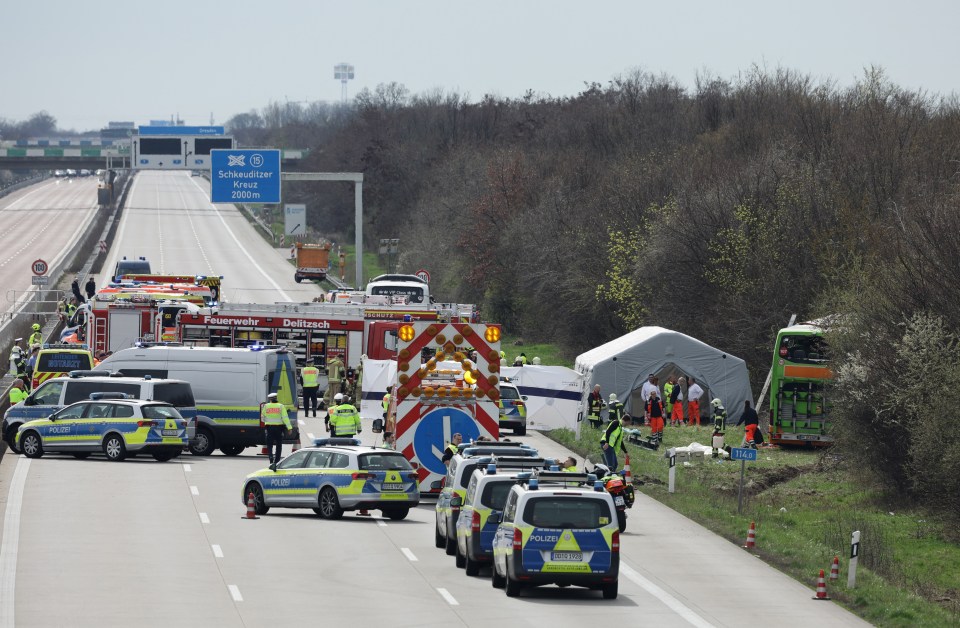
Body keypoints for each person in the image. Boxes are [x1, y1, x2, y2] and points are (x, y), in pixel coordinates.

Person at [261, 392, 292, 470]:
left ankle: (271, 458)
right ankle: (277, 461)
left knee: (269, 444)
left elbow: (262, 417)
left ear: (270, 399)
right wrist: (289, 428)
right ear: (276, 398)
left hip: (269, 428)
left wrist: (267, 422)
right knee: (279, 445)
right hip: (279, 428)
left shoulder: (266, 406)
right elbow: (285, 418)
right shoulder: (281, 406)